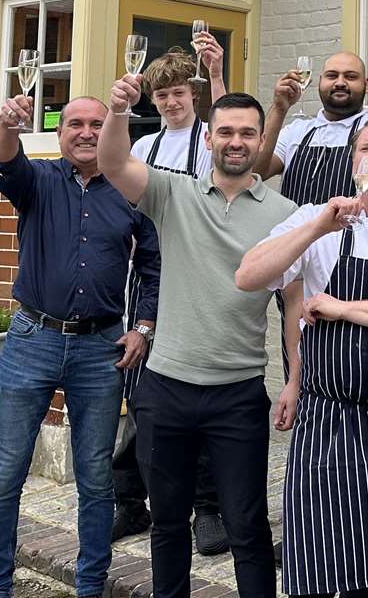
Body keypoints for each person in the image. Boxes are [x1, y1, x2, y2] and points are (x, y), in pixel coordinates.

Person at [236, 116, 368, 598]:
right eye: (364, 148)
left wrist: (341, 307)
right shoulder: (316, 219)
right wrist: (316, 227)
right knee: (315, 559)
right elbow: (248, 276)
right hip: (327, 414)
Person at [98, 79, 296, 598]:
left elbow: (294, 305)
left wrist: (295, 380)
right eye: (226, 131)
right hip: (166, 389)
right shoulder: (173, 192)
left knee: (248, 527)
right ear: (208, 138)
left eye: (247, 133)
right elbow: (115, 165)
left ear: (260, 142)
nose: (236, 141)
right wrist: (118, 110)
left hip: (239, 393)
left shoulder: (284, 215)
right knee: (167, 525)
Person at [0, 95, 160, 598]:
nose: (85, 132)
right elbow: (3, 164)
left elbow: (151, 266)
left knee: (96, 479)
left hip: (102, 348)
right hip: (32, 340)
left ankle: (90, 586)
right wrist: (8, 126)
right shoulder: (37, 181)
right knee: (6, 473)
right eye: (75, 124)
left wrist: (143, 327)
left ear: (110, 134)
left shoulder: (131, 190)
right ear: (59, 135)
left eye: (96, 125)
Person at [250, 51, 368, 432]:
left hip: (354, 259)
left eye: (351, 76)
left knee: (349, 351)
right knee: (298, 343)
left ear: (366, 86)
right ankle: (309, 428)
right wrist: (277, 108)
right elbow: (255, 173)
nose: (340, 82)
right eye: (332, 75)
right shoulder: (297, 130)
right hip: (299, 249)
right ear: (319, 82)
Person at [113, 37, 230, 553]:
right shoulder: (143, 147)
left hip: (199, 272)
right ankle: (130, 501)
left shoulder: (211, 139)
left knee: (198, 392)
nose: (171, 103)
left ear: (194, 93)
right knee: (142, 394)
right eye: (161, 97)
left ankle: (207, 509)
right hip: (148, 272)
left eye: (179, 93)